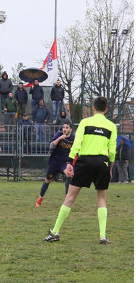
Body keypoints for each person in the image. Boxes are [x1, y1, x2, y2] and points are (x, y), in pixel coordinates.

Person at [43, 97, 117, 245]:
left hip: (84, 162)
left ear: (93, 108)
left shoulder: (85, 122)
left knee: (70, 197)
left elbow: (76, 144)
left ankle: (55, 232)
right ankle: (102, 236)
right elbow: (112, 150)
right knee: (102, 199)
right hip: (102, 162)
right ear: (106, 110)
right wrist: (110, 168)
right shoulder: (111, 126)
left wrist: (70, 162)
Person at [35, 121, 75, 207]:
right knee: (47, 181)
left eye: (67, 127)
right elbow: (51, 146)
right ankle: (40, 199)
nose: (64, 129)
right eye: (63, 127)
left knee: (69, 175)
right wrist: (60, 138)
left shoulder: (73, 138)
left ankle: (66, 198)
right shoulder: (58, 135)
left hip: (65, 163)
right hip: (55, 162)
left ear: (70, 129)